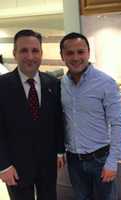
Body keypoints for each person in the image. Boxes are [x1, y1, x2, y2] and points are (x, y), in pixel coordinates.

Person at [0, 29, 65, 200]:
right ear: (15, 54)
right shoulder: (2, 86)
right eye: (24, 50)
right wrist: (3, 165)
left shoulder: (52, 83)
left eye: (35, 50)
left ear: (41, 53)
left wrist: (59, 151)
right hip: (16, 166)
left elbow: (57, 120)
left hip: (48, 164)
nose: (30, 56)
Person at [60, 32, 121, 200]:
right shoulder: (61, 84)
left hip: (100, 159)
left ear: (88, 53)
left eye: (80, 52)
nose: (76, 57)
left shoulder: (105, 83)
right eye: (70, 53)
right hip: (73, 160)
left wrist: (112, 162)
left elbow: (118, 123)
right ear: (62, 56)